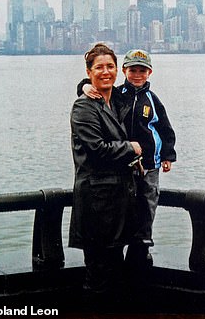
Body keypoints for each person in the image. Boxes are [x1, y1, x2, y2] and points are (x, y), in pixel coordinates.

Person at [78, 49, 176, 270]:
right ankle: (126, 242)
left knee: (148, 200)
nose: (137, 75)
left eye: (142, 71)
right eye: (133, 70)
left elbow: (165, 129)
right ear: (124, 71)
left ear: (149, 73)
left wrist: (168, 155)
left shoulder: (152, 99)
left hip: (149, 163)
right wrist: (83, 86)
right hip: (126, 162)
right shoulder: (117, 93)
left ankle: (143, 243)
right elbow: (94, 84)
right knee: (127, 206)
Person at [68, 43, 142, 298]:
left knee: (115, 267)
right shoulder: (83, 107)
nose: (106, 71)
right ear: (89, 71)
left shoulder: (115, 101)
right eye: (99, 67)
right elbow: (98, 150)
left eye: (110, 66)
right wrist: (131, 148)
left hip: (118, 200)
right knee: (98, 271)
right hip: (96, 202)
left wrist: (82, 84)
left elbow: (139, 90)